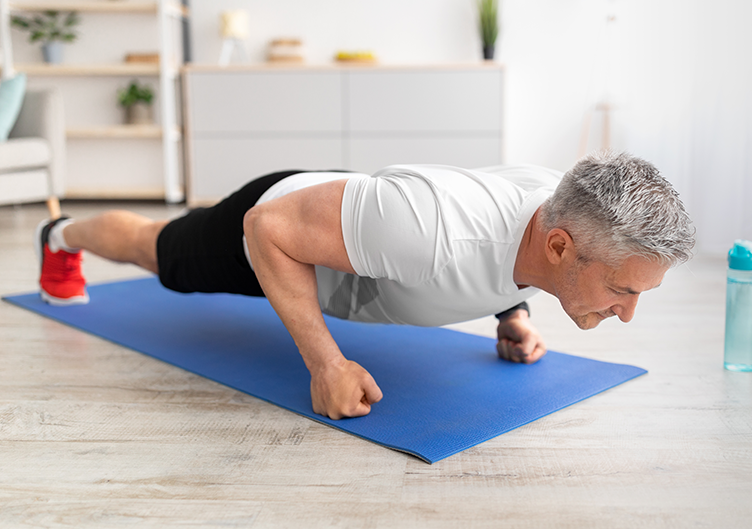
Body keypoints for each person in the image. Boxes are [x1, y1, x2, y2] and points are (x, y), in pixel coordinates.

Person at [34, 151, 695, 420]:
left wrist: (509, 313)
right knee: (162, 254)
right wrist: (327, 363)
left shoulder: (557, 209)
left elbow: (507, 244)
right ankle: (61, 236)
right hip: (277, 224)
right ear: (562, 248)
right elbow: (267, 228)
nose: (628, 313)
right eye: (623, 290)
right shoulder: (432, 233)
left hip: (360, 226)